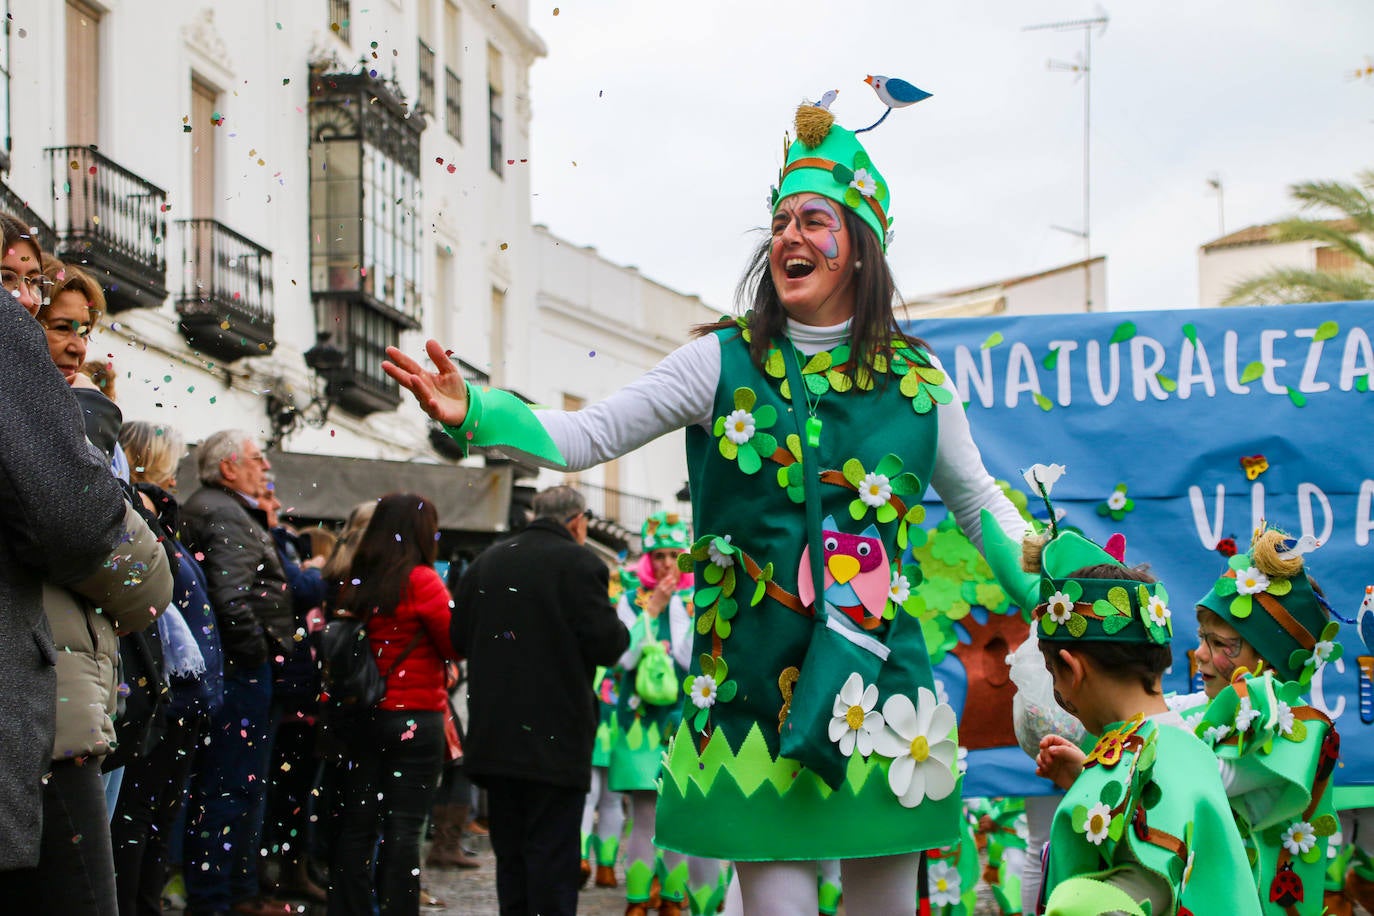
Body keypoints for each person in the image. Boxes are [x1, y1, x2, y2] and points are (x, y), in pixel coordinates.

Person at [385, 93, 1025, 910]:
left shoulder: (919, 384)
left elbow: (981, 509)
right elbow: (587, 436)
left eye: (814, 219)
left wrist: (1060, 590)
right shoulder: (718, 363)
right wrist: (476, 410)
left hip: (879, 691)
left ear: (860, 248)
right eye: (781, 220)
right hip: (752, 691)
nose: (790, 235)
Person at [0, 215, 174, 912]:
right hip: (42, 711)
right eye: (7, 281)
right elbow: (79, 527)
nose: (28, 306)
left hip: (76, 697)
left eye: (30, 283)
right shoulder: (23, 363)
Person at [982, 516, 1262, 916]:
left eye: (1051, 677)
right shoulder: (1179, 748)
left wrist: (1073, 904)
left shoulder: (1162, 757)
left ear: (1071, 669)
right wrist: (1089, 777)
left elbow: (1151, 882)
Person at [450, 486, 630, 915]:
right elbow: (609, 645)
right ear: (578, 521)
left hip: (496, 737)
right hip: (555, 741)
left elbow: (458, 638)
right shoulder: (581, 563)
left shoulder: (486, 562)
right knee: (552, 862)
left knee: (510, 861)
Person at [1179, 525, 1342, 916]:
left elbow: (1200, 777)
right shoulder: (1189, 707)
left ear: (1267, 661)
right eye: (1203, 638)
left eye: (1220, 644)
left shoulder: (1299, 732)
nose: (1199, 654)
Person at [326, 493, 461, 916]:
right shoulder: (421, 579)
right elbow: (453, 642)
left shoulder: (358, 577)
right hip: (416, 717)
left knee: (358, 823)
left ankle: (349, 908)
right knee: (404, 827)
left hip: (365, 713)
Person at [111, 420, 226, 916]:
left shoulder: (164, 521)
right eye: (171, 460)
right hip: (159, 692)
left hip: (184, 696)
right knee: (136, 818)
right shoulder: (135, 516)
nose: (178, 472)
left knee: (160, 817)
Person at [179, 430, 293, 916]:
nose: (265, 466)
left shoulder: (224, 509)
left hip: (238, 670)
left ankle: (236, 893)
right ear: (228, 468)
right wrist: (256, 655)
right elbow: (231, 598)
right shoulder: (224, 512)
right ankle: (215, 901)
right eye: (255, 458)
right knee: (228, 788)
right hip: (239, 673)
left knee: (238, 787)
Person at [609, 511, 727, 916]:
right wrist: (651, 612)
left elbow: (689, 660)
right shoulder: (630, 599)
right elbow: (622, 659)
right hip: (638, 720)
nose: (664, 564)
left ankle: (674, 902)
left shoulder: (700, 598)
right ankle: (637, 903)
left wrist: (687, 616)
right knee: (646, 814)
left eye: (674, 554)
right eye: (657, 555)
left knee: (681, 811)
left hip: (684, 721)